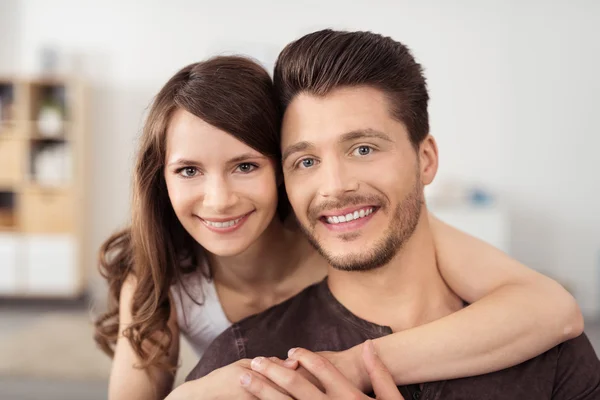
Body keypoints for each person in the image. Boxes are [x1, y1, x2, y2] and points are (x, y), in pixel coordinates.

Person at [94, 53, 584, 400]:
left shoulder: (344, 238)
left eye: (246, 166)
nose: (219, 200)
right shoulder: (161, 281)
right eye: (188, 170)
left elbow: (550, 308)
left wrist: (347, 365)